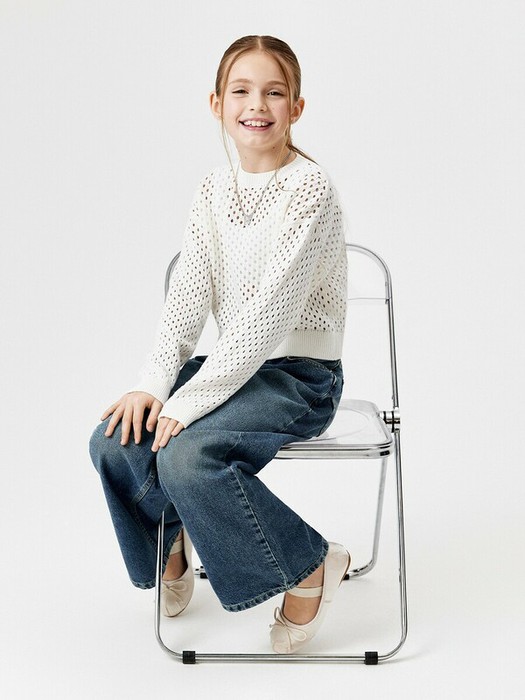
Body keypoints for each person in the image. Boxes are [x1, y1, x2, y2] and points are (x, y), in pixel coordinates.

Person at [89, 35, 349, 654]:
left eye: (274, 92)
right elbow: (187, 294)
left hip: (298, 377)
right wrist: (154, 386)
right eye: (241, 91)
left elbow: (266, 320)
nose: (257, 105)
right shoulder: (212, 188)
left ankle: (310, 564)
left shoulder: (310, 189)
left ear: (296, 108)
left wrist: (184, 405)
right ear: (216, 104)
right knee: (115, 440)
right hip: (232, 370)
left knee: (187, 457)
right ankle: (170, 541)